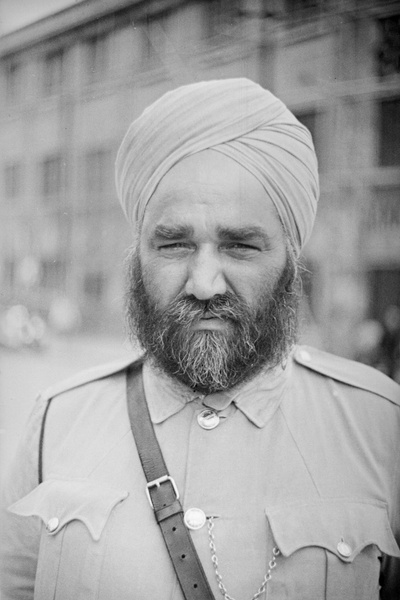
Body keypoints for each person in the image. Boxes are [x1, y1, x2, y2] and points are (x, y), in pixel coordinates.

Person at [1, 78, 399, 600]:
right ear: (136, 256)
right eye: (173, 245)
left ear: (290, 260)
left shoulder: (380, 425)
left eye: (240, 246)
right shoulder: (57, 421)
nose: (205, 284)